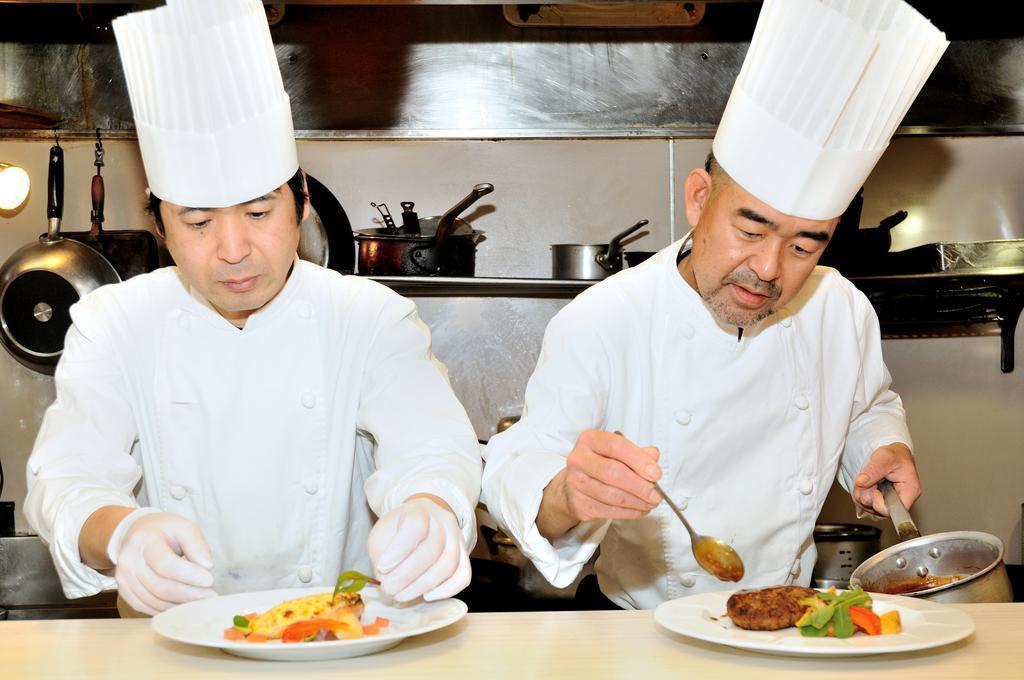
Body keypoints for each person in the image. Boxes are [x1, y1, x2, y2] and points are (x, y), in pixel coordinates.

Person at [482, 0, 948, 609]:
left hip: (787, 614)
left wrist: (881, 448)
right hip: (642, 634)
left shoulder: (840, 308)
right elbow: (520, 460)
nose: (769, 269)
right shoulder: (605, 318)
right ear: (700, 198)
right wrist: (566, 494)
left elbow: (868, 404)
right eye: (750, 232)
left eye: (805, 244)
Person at [24, 0, 481, 616]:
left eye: (259, 214)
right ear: (159, 224)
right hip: (173, 650)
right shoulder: (115, 325)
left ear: (302, 206)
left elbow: (432, 448)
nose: (234, 251)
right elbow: (66, 478)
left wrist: (430, 508)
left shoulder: (370, 319)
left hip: (336, 643)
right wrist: (122, 534)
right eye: (198, 222)